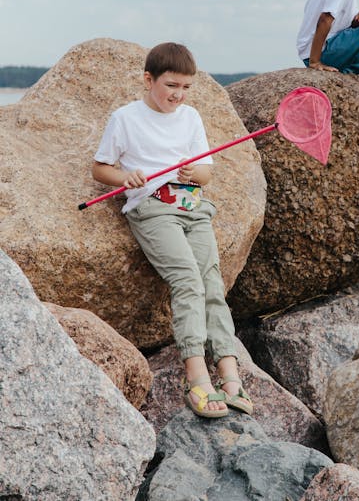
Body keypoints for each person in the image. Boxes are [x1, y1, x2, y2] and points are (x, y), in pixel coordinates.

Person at [92, 42, 252, 419]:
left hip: (192, 206)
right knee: (187, 280)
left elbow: (207, 173)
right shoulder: (126, 118)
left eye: (185, 87)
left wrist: (193, 173)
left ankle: (229, 370)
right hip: (152, 209)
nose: (178, 95)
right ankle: (196, 375)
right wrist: (124, 176)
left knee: (212, 283)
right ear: (149, 80)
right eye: (171, 86)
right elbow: (100, 169)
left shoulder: (191, 117)